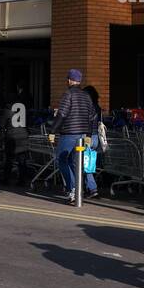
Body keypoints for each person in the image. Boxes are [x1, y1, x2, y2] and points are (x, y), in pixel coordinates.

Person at [49, 69, 99, 202]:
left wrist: (53, 131)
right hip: (83, 134)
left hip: (69, 134)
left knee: (60, 159)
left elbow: (62, 114)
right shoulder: (86, 96)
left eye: (67, 79)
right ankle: (77, 189)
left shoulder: (68, 94)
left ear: (70, 80)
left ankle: (73, 188)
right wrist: (88, 134)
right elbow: (92, 117)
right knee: (73, 162)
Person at [3, 83, 31, 186]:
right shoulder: (22, 109)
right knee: (22, 160)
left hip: (12, 137)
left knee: (9, 159)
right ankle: (22, 180)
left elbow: (2, 124)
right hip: (23, 136)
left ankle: (6, 179)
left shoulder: (7, 110)